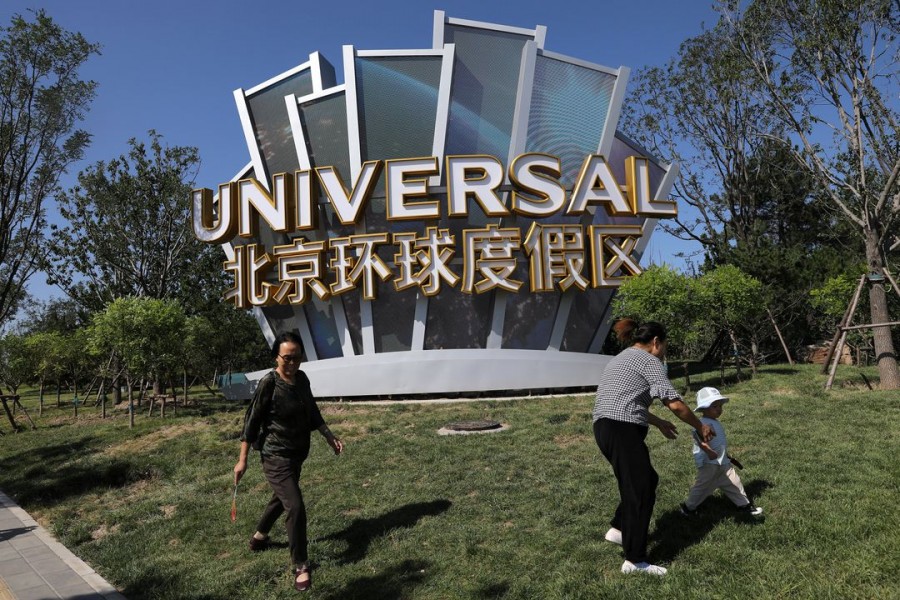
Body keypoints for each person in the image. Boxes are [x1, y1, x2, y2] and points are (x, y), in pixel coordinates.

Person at [592, 318, 714, 577]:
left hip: (605, 427)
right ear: (656, 342)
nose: (664, 353)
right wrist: (699, 427)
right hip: (621, 428)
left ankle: (618, 529)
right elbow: (675, 404)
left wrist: (658, 423)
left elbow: (628, 400)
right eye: (665, 347)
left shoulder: (621, 358)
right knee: (640, 487)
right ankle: (634, 560)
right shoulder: (650, 361)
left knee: (644, 480)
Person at [233, 332, 343, 593]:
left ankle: (259, 537)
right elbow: (252, 422)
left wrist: (330, 437)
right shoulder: (268, 383)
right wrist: (242, 460)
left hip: (297, 453)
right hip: (275, 455)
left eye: (297, 357)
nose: (293, 363)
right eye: (287, 358)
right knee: (294, 505)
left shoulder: (302, 380)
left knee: (281, 497)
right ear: (276, 357)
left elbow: (313, 412)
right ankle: (301, 565)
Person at [680, 387, 763, 517]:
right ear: (704, 408)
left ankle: (744, 505)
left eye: (720, 406)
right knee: (702, 487)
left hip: (722, 462)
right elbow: (698, 438)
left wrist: (726, 455)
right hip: (710, 463)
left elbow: (717, 442)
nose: (719, 409)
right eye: (714, 406)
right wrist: (708, 451)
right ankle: (688, 508)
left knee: (734, 482)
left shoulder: (713, 422)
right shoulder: (702, 424)